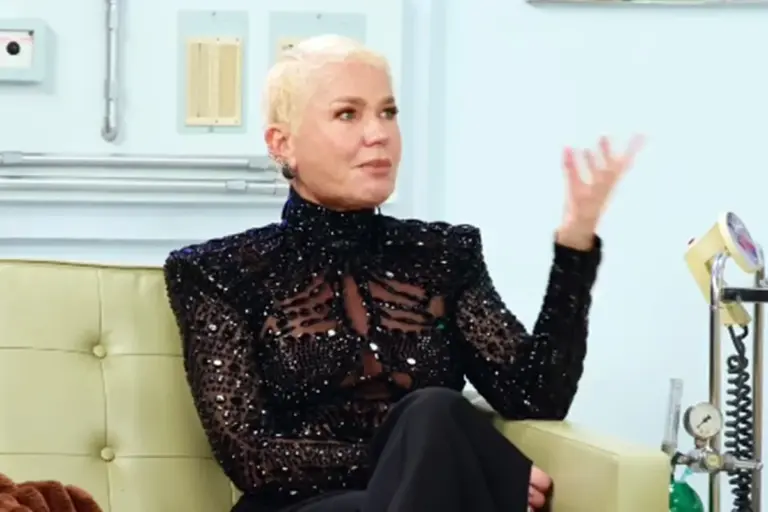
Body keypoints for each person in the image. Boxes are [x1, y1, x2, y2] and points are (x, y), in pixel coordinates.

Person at [164, 35, 642, 512]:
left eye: (388, 112)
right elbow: (251, 458)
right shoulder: (217, 272)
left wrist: (574, 248)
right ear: (282, 143)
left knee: (435, 409)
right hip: (300, 507)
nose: (378, 134)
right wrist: (450, 460)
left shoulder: (444, 255)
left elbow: (534, 397)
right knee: (434, 427)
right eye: (347, 114)